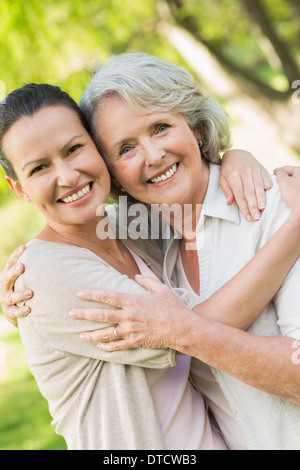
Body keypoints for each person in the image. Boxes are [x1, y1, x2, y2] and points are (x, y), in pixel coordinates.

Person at [1, 58, 300, 450]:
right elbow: (183, 334)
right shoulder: (50, 271)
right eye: (39, 168)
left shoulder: (140, 228)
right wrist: (293, 232)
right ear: (18, 187)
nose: (68, 176)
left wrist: (233, 156)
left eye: (74, 149)